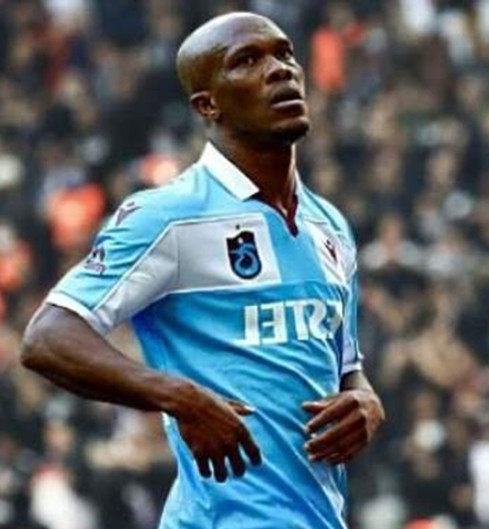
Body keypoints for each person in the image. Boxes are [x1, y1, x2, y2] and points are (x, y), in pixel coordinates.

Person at [20, 12, 385, 529]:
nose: (280, 70)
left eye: (284, 53)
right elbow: (47, 337)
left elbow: (346, 366)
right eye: (247, 61)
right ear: (207, 104)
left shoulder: (330, 225)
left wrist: (366, 399)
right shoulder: (169, 215)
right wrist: (179, 397)